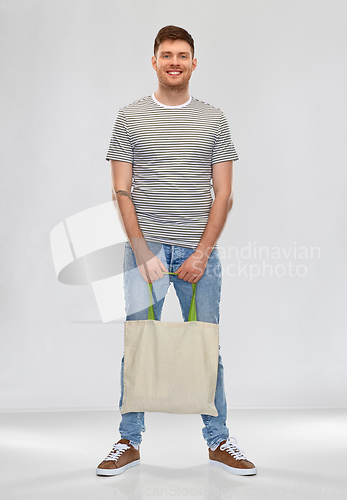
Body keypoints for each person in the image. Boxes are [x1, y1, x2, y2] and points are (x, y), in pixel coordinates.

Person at [96, 25, 257, 477]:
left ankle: (219, 440)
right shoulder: (130, 117)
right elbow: (121, 191)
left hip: (197, 254)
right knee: (138, 345)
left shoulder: (213, 119)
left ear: (193, 63)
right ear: (154, 62)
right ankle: (128, 440)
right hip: (143, 253)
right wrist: (142, 251)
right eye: (166, 54)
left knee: (206, 346)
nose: (174, 62)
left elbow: (222, 193)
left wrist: (203, 253)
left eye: (182, 55)